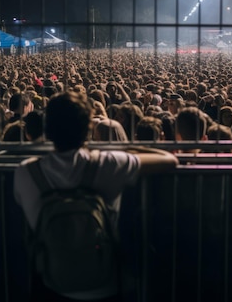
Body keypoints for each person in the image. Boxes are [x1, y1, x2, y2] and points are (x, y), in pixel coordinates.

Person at [13, 91, 178, 302]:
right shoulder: (108, 164)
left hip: (52, 282)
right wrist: (123, 147)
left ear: (48, 129)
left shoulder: (26, 172)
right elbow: (168, 160)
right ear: (88, 128)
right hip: (105, 283)